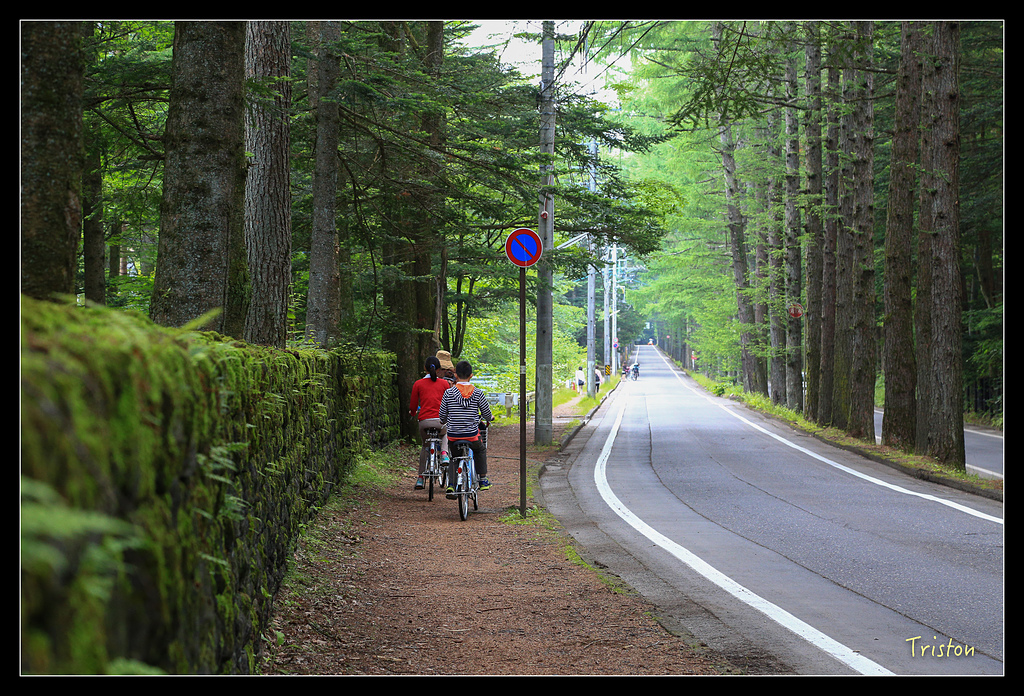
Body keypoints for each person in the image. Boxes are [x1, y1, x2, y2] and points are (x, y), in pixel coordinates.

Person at [439, 359, 493, 494]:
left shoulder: (449, 393)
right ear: (471, 375)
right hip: (471, 435)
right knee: (480, 450)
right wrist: (490, 418)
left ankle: (451, 484)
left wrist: (445, 420)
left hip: (453, 435)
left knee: (454, 457)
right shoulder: (478, 393)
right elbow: (486, 413)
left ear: (456, 375)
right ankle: (483, 479)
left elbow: (442, 416)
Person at [409, 356, 450, 490]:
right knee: (445, 434)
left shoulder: (418, 384)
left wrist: (413, 413)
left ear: (425, 368)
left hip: (424, 421)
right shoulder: (444, 384)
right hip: (440, 421)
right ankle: (444, 454)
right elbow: (449, 403)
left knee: (425, 446)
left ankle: (420, 478)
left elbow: (413, 405)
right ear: (439, 369)